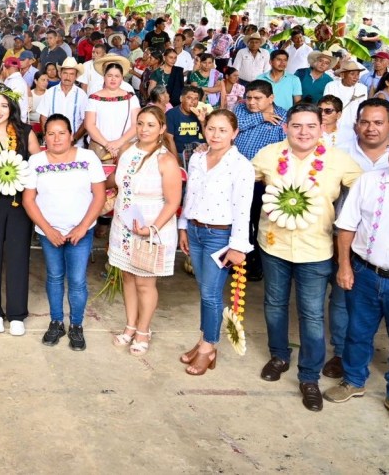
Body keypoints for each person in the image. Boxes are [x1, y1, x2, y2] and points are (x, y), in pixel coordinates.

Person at [251, 103, 362, 412]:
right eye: (296, 126)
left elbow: (367, 190)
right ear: (285, 127)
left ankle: (309, 377)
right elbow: (243, 179)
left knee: (312, 315)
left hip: (316, 250)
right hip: (273, 245)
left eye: (311, 126)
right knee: (274, 305)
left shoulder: (340, 161)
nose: (303, 132)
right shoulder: (268, 155)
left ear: (322, 128)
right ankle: (279, 356)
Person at [325, 135, 389, 429]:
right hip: (366, 273)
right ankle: (353, 380)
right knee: (357, 331)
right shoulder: (370, 181)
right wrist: (344, 266)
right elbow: (346, 225)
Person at [177, 109, 255, 375]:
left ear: (234, 133)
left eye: (223, 130)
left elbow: (242, 208)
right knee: (204, 291)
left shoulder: (241, 165)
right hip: (197, 231)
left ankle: (209, 348)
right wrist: (183, 226)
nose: (216, 135)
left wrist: (237, 246)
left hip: (220, 237)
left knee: (211, 294)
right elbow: (190, 195)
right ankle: (202, 341)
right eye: (211, 128)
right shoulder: (198, 158)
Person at [22, 114, 106, 350]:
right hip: (50, 232)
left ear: (71, 135)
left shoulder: (88, 157)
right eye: (51, 133)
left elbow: (99, 195)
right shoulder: (36, 161)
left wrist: (82, 227)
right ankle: (56, 321)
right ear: (44, 137)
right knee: (55, 277)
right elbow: (29, 200)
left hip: (81, 230)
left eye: (62, 133)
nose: (56, 138)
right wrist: (47, 230)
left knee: (77, 280)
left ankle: (76, 325)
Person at [108, 106, 182, 356]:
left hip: (151, 229)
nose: (144, 129)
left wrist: (151, 228)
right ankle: (130, 325)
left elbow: (173, 202)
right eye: (140, 124)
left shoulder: (165, 159)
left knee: (145, 284)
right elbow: (120, 185)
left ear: (162, 129)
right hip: (124, 225)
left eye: (151, 124)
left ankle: (143, 330)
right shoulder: (128, 151)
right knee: (127, 277)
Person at [0, 86, 40, 336]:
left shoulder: (25, 132)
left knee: (18, 255)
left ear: (12, 108)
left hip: (19, 202)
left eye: (4, 105)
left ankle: (16, 313)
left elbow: (37, 164)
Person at [233, 80, 288, 281]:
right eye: (249, 97)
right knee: (240, 219)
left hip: (263, 181)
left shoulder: (284, 116)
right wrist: (260, 117)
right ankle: (241, 259)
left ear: (271, 98)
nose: (251, 102)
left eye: (257, 98)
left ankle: (257, 262)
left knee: (260, 221)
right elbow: (234, 126)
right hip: (238, 176)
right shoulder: (240, 110)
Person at [84, 59, 141, 164]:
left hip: (125, 147)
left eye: (117, 76)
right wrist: (107, 145)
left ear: (122, 79)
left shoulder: (131, 98)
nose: (113, 79)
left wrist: (118, 143)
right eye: (109, 75)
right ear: (104, 77)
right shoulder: (94, 98)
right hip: (99, 148)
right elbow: (89, 125)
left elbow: (136, 124)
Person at [37, 57, 88, 145]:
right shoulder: (50, 92)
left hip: (75, 144)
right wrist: (47, 136)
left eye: (71, 74)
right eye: (65, 73)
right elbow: (43, 117)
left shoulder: (81, 95)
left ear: (76, 77)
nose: (68, 77)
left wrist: (74, 139)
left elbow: (86, 121)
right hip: (53, 143)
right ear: (60, 74)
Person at [165, 85, 205, 165]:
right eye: (189, 98)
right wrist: (177, 161)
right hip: (178, 152)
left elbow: (207, 138)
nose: (193, 102)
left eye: (196, 99)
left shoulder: (200, 114)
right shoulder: (171, 114)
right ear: (181, 99)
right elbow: (169, 139)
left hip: (196, 152)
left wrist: (203, 122)